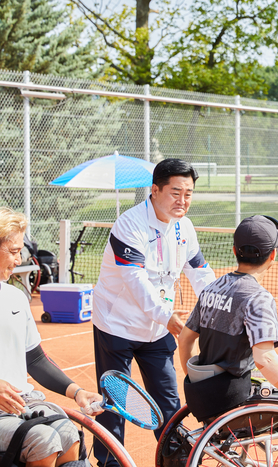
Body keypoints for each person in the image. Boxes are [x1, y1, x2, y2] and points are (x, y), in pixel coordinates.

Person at [91, 159, 215, 465]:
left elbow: (200, 271)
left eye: (188, 194)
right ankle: (109, 461)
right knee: (116, 402)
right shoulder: (128, 225)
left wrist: (219, 304)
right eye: (175, 192)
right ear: (155, 190)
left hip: (157, 330)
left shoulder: (184, 227)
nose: (182, 201)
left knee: (168, 402)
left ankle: (174, 459)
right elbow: (135, 280)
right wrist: (167, 317)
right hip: (116, 326)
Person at [178, 214, 278, 429]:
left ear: (234, 250)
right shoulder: (258, 298)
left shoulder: (211, 288)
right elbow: (265, 359)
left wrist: (200, 384)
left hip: (204, 398)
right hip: (235, 400)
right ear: (272, 255)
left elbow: (184, 339)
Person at [0, 207, 104, 467]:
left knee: (69, 435)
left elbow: (34, 359)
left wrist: (77, 392)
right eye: (13, 252)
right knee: (43, 441)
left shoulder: (15, 297)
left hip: (22, 402)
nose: (18, 260)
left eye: (19, 252)